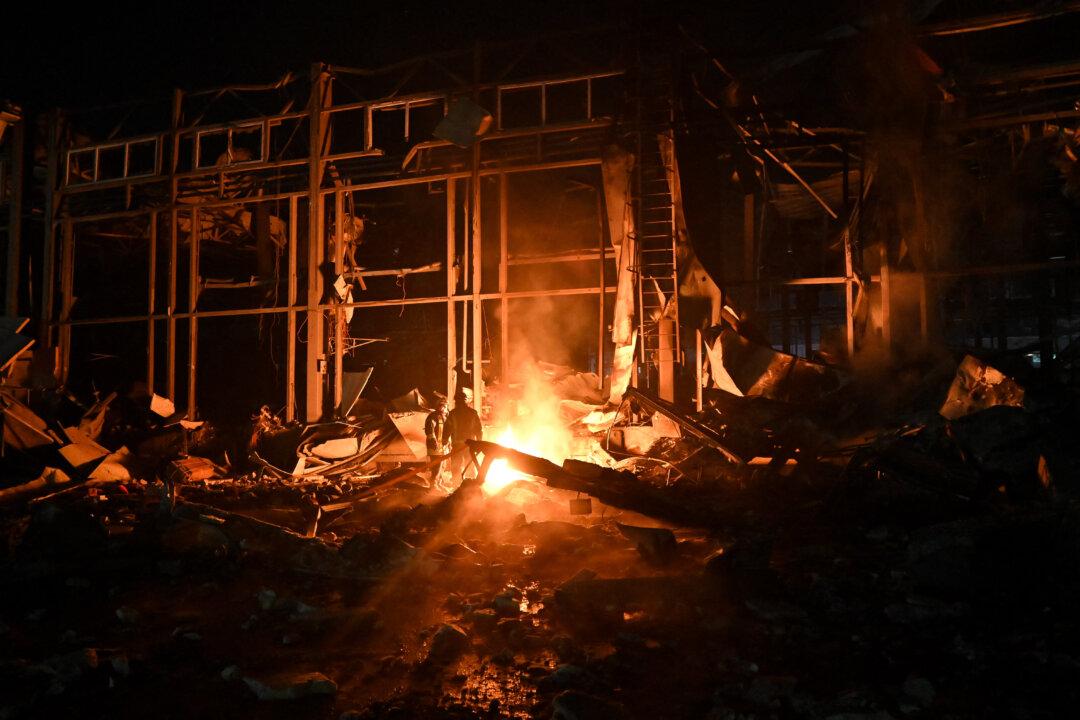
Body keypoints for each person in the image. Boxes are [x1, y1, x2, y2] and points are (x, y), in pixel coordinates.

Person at [444, 388, 483, 485]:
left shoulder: (453, 413)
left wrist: (444, 440)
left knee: (456, 466)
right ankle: (471, 487)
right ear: (466, 400)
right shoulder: (473, 413)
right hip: (470, 445)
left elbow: (447, 428)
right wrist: (479, 443)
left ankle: (456, 486)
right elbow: (478, 429)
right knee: (469, 465)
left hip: (457, 445)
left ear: (456, 401)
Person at [424, 399, 449, 485]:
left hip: (442, 447)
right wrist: (433, 441)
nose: (443, 408)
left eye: (444, 406)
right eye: (441, 405)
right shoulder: (433, 416)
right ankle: (433, 485)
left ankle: (438, 484)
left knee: (442, 466)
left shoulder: (444, 417)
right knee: (436, 466)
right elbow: (429, 430)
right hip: (435, 446)